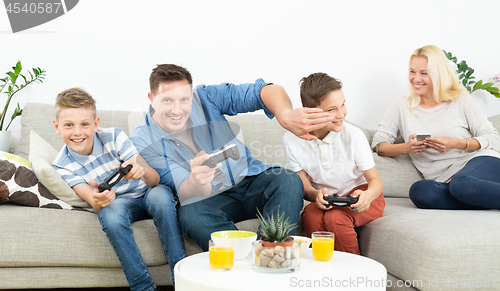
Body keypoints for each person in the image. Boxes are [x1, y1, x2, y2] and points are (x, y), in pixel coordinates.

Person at [131, 64, 335, 251]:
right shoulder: (143, 140)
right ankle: (248, 261)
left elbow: (266, 90)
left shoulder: (206, 97)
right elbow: (184, 189)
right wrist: (196, 179)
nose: (178, 110)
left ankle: (268, 253)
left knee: (289, 181)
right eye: (167, 100)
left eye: (184, 99)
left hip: (249, 179)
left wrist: (285, 115)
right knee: (190, 216)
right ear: (151, 98)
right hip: (208, 197)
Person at [51, 88, 185, 291]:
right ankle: (143, 287)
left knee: (161, 197)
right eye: (69, 125)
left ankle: (182, 280)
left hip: (147, 192)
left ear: (95, 124)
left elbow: (154, 180)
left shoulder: (114, 136)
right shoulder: (61, 165)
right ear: (57, 127)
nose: (77, 132)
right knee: (109, 214)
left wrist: (142, 171)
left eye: (84, 124)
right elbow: (92, 200)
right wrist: (101, 199)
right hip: (119, 204)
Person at [371, 44, 500, 210]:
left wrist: (455, 143)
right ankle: (481, 199)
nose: (416, 79)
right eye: (412, 71)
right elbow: (378, 144)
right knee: (420, 191)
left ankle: (473, 194)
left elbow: (492, 137)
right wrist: (406, 148)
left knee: (461, 185)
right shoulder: (401, 105)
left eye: (424, 73)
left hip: (480, 163)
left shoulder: (460, 100)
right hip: (445, 181)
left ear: (438, 74)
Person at [283, 72, 385, 255]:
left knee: (336, 217)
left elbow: (376, 182)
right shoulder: (292, 140)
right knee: (311, 214)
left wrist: (368, 196)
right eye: (331, 110)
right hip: (330, 198)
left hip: (364, 194)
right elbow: (304, 185)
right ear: (310, 112)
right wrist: (316, 195)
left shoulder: (353, 135)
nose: (341, 114)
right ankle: (321, 268)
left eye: (343, 104)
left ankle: (353, 274)